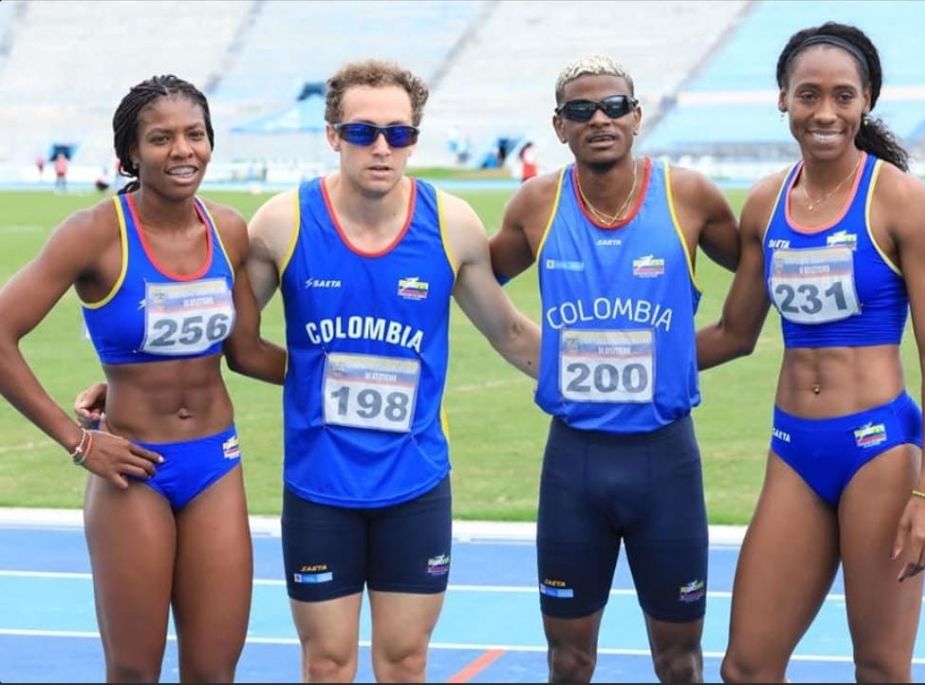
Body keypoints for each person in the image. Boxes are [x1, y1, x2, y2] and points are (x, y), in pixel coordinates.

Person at [79, 60, 541, 683]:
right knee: (326, 664)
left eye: (399, 134)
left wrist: (603, 383)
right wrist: (132, 382)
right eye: (362, 133)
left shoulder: (451, 222)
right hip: (320, 485)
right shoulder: (282, 222)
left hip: (416, 478)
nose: (382, 148)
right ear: (332, 135)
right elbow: (228, 335)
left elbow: (510, 332)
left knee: (405, 662)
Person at [0, 75, 286, 682]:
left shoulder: (229, 230)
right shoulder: (94, 233)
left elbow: (247, 353)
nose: (183, 150)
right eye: (161, 139)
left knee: (213, 672)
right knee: (134, 671)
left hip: (216, 462)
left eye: (195, 135)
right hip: (134, 469)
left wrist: (336, 368)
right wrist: (79, 443)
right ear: (131, 154)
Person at [694, 23, 925, 683]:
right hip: (794, 448)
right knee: (746, 666)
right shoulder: (765, 204)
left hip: (880, 451)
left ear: (866, 101)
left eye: (843, 95)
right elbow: (735, 332)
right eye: (808, 95)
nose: (826, 112)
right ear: (784, 99)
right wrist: (641, 365)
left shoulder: (900, 200)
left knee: (879, 667)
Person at [490, 55, 741, 683]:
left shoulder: (689, 197)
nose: (598, 119)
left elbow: (767, 267)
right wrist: (526, 348)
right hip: (574, 464)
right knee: (568, 661)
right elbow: (469, 277)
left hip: (666, 462)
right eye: (581, 110)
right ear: (559, 126)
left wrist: (691, 355)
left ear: (637, 116)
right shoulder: (536, 205)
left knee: (679, 661)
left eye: (613, 107)